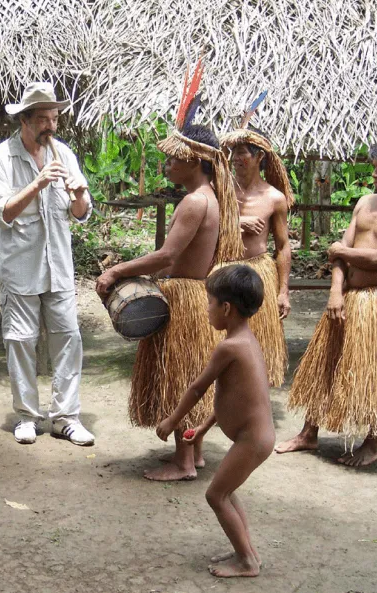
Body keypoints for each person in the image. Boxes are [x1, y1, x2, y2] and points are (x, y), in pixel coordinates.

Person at [96, 76, 244, 480]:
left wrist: (116, 270)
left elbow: (167, 255)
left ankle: (183, 463)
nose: (168, 165)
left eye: (175, 160)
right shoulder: (210, 196)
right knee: (188, 372)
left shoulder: (195, 202)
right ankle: (192, 455)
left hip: (185, 296)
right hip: (196, 294)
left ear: (194, 161)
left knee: (178, 375)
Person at [276, 136, 377, 466]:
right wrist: (335, 291)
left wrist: (339, 250)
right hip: (346, 297)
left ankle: (371, 445)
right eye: (374, 167)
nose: (374, 174)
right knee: (325, 362)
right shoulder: (365, 202)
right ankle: (308, 434)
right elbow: (341, 254)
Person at [0, 82, 95, 446]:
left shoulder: (64, 153)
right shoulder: (2, 158)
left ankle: (66, 417)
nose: (50, 125)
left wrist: (78, 195)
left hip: (58, 267)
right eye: (43, 118)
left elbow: (81, 213)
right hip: (20, 270)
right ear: (25, 121)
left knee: (68, 339)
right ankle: (27, 416)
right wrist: (37, 183)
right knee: (20, 341)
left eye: (55, 118)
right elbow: (2, 213)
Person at [157, 265, 274, 578]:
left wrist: (173, 421)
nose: (207, 309)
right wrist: (205, 428)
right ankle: (246, 551)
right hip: (256, 437)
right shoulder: (247, 342)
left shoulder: (229, 347)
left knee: (215, 495)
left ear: (226, 308)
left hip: (253, 439)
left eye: (209, 303)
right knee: (228, 491)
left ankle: (247, 561)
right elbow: (237, 397)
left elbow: (198, 388)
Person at [220, 121, 293, 387]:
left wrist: (283, 290)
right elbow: (203, 227)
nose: (236, 158)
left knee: (256, 343)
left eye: (243, 152)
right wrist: (236, 223)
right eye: (234, 151)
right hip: (223, 270)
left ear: (260, 156)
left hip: (257, 272)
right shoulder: (221, 190)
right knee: (220, 340)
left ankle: (251, 400)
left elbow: (283, 246)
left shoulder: (274, 198)